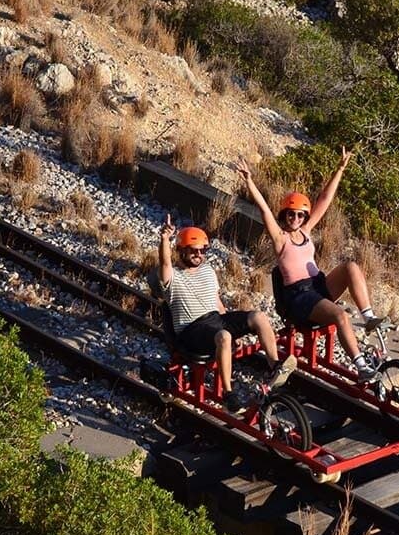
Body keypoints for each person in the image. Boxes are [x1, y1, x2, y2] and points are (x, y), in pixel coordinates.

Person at [235, 148, 384, 381]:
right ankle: (362, 367)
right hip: (299, 298)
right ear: (284, 216)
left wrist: (340, 169)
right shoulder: (280, 238)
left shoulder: (306, 231)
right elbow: (264, 209)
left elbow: (325, 200)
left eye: (300, 215)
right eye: (291, 215)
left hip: (318, 286)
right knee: (341, 316)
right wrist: (249, 181)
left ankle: (368, 318)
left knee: (351, 267)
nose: (296, 219)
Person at [158, 214, 296, 412]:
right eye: (193, 251)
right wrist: (164, 240)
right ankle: (228, 394)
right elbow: (164, 264)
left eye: (202, 250)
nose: (198, 254)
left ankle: (275, 367)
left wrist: (234, 328)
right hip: (191, 330)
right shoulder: (172, 278)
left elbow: (217, 303)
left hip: (215, 320)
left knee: (258, 317)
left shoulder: (207, 271)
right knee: (223, 336)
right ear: (181, 251)